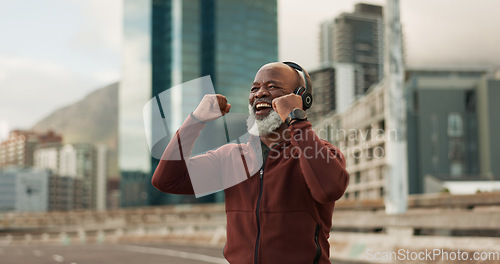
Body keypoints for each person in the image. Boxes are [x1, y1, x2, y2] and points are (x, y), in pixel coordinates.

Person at [152, 62, 349, 264]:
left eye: (272, 86)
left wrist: (296, 119)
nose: (260, 93)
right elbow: (167, 180)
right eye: (255, 88)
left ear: (300, 98)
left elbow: (329, 189)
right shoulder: (230, 157)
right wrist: (195, 120)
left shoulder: (321, 153)